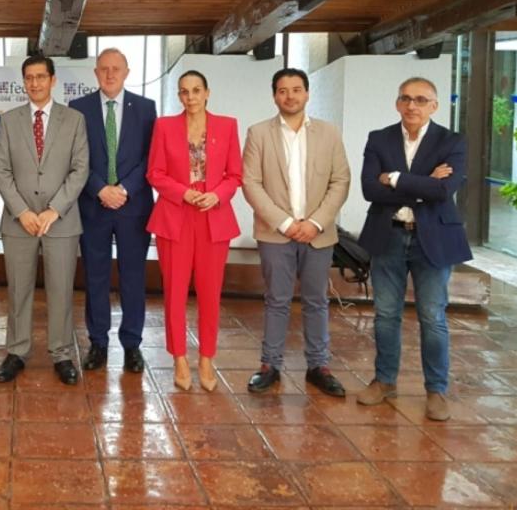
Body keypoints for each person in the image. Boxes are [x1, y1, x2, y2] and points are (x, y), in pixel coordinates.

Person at [356, 76, 471, 421]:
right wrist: (424, 183)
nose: (412, 106)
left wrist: (393, 178)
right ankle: (384, 381)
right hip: (387, 236)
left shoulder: (453, 141)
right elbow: (368, 190)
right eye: (406, 98)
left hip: (432, 239)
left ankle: (436, 389)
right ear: (397, 103)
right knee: (386, 315)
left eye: (421, 100)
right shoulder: (379, 139)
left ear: (434, 106)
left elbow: (443, 190)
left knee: (432, 317)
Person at [242, 68, 351, 397]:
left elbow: (340, 180)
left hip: (318, 233)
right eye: (282, 90)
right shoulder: (258, 133)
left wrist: (315, 222)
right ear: (274, 95)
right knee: (276, 300)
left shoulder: (329, 133)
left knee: (317, 300)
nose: (290, 96)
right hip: (276, 234)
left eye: (296, 89)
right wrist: (287, 223)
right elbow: (251, 183)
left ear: (307, 93)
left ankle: (318, 366)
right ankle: (269, 365)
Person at [0, 54, 89, 386]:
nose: (35, 83)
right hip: (19, 221)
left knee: (61, 290)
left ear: (53, 80)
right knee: (18, 290)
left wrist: (53, 210)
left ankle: (61, 353)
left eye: (40, 77)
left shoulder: (74, 120)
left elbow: (80, 170)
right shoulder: (9, 121)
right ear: (24, 82)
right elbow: (1, 171)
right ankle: (17, 351)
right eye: (29, 78)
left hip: (60, 221)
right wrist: (22, 211)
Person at [147, 70, 241, 392]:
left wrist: (217, 194)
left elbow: (235, 175)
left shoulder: (227, 126)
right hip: (175, 214)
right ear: (179, 95)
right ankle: (179, 358)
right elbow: (155, 173)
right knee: (174, 291)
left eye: (196, 90)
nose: (191, 97)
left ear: (207, 92)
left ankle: (206, 358)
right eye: (184, 92)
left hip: (213, 215)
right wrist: (182, 192)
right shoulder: (164, 126)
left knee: (210, 292)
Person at [69, 48, 156, 373]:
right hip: (93, 205)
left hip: (133, 207)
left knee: (133, 277)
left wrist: (124, 189)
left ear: (126, 72)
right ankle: (98, 343)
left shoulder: (146, 108)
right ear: (95, 73)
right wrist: (99, 189)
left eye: (116, 69)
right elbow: (75, 158)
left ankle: (132, 344)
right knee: (96, 277)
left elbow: (151, 157)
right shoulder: (79, 109)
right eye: (104, 69)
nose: (110, 74)